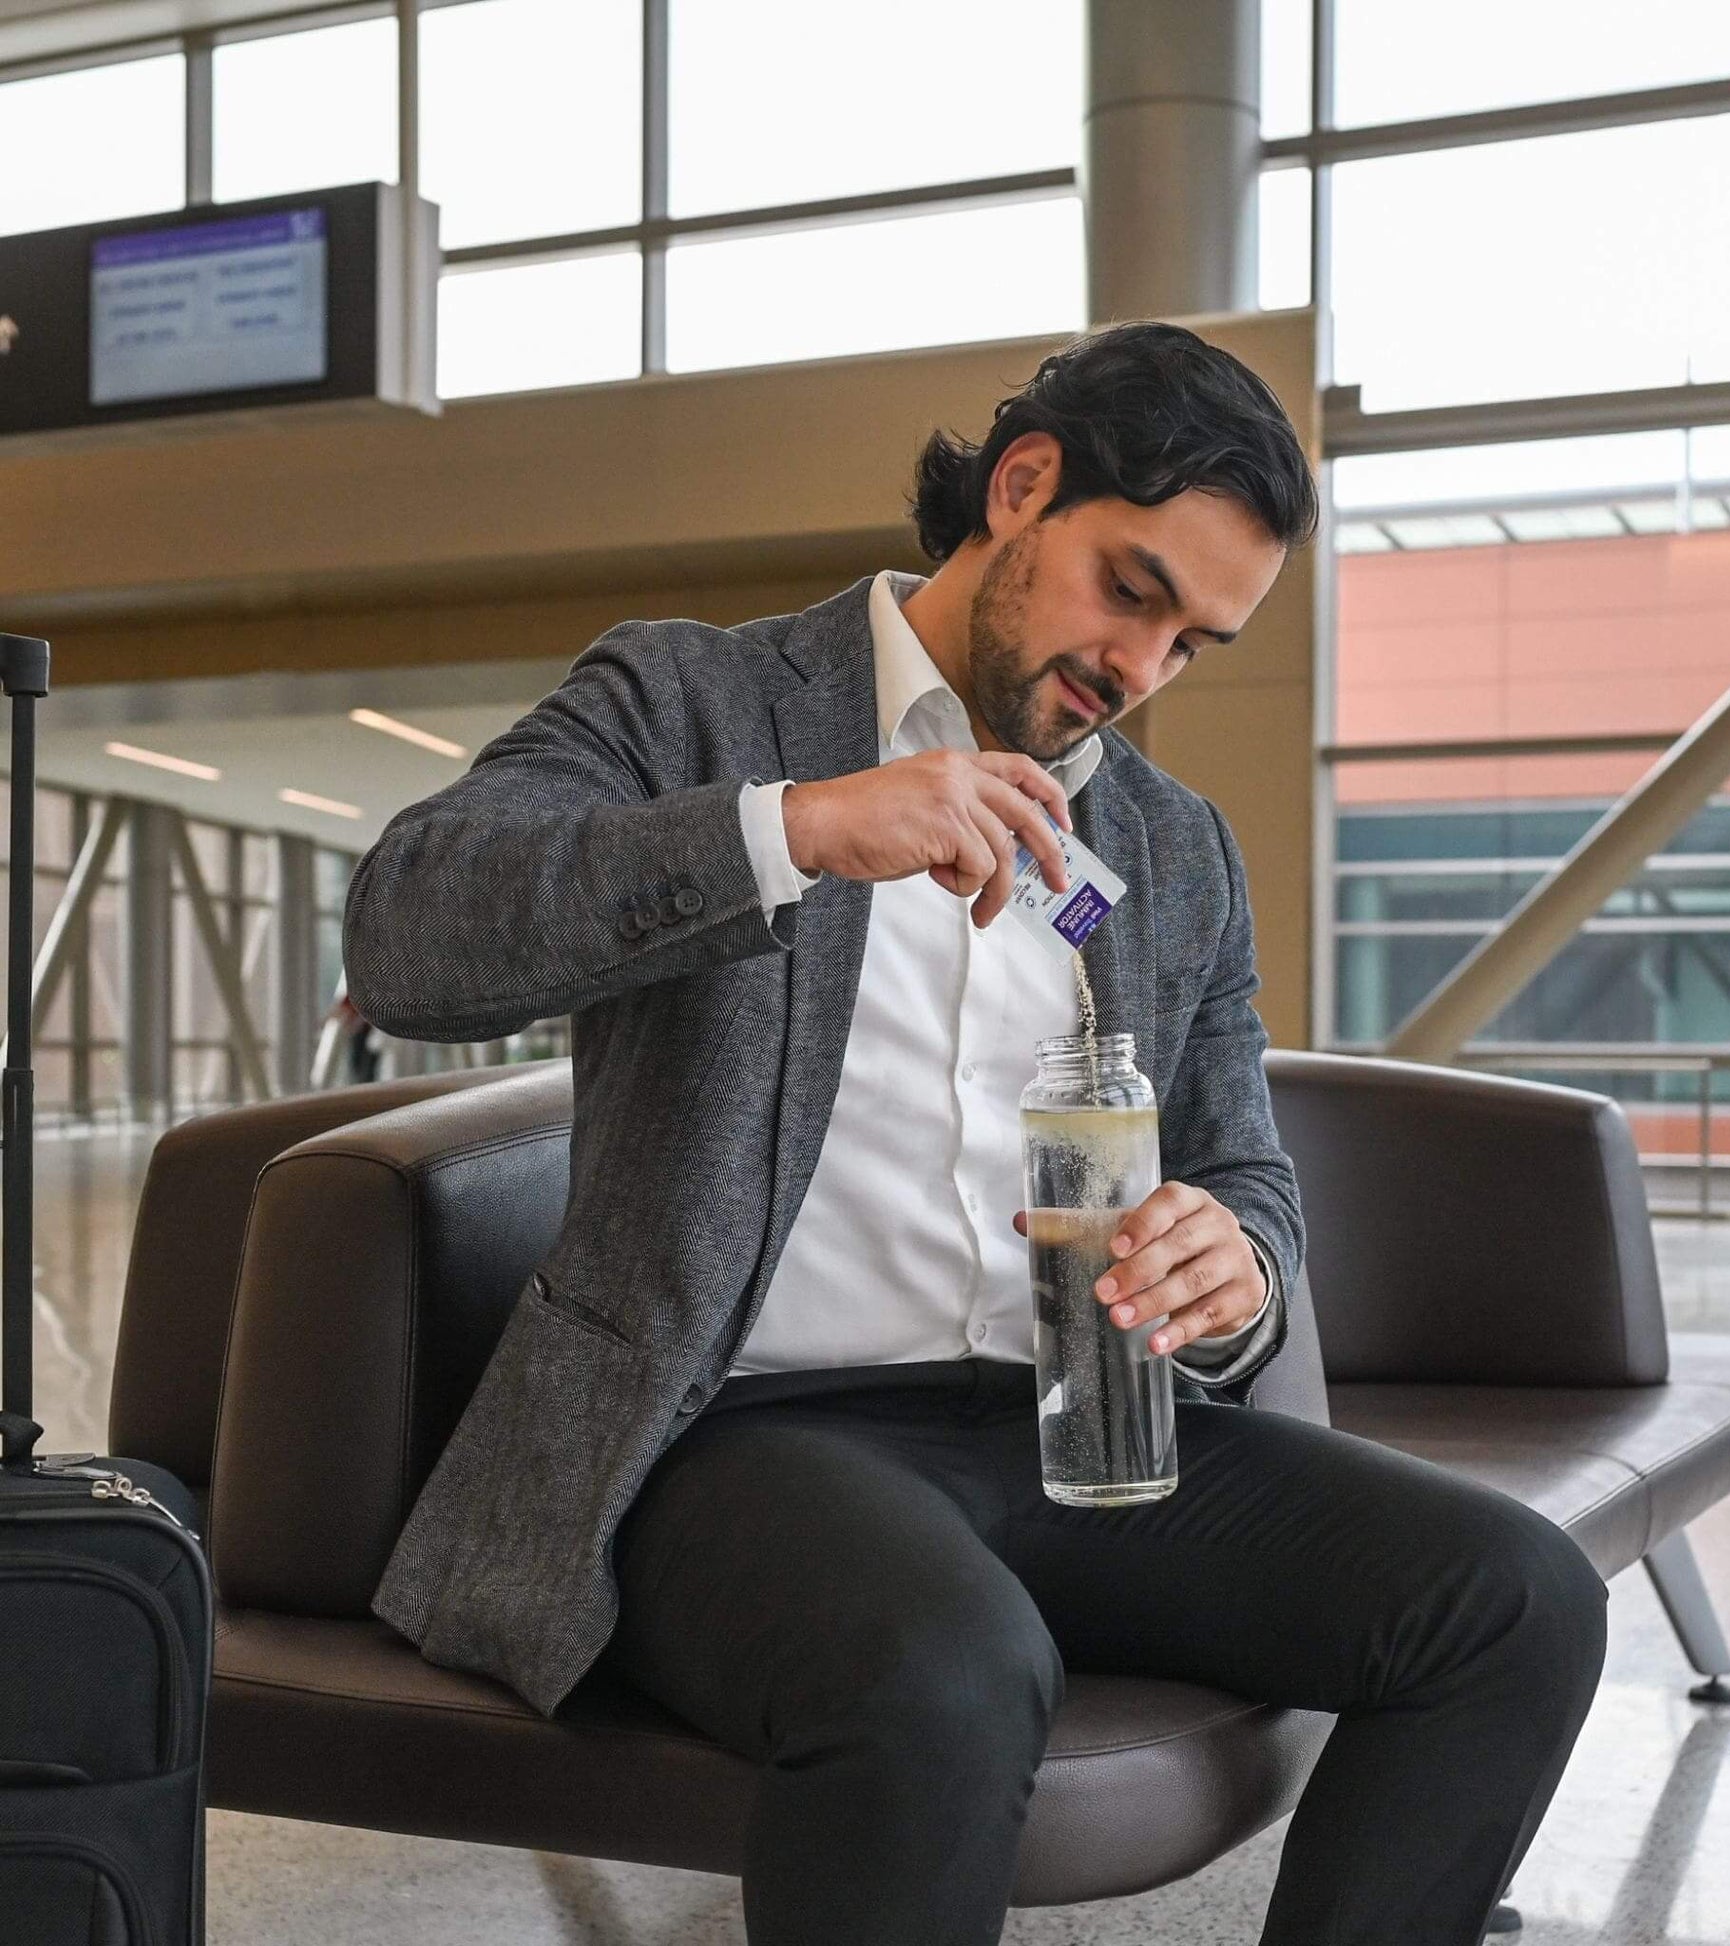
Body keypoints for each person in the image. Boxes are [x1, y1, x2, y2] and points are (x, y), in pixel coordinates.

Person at [344, 321, 1606, 1946]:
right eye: (1129, 590)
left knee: (1514, 1601)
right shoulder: (697, 700)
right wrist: (796, 829)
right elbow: (407, 929)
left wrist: (1242, 1265)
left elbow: (1245, 1167)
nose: (1139, 671)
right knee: (947, 1675)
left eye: (1193, 644)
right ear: (1020, 488)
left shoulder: (1170, 844)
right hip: (740, 1434)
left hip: (1081, 1428)